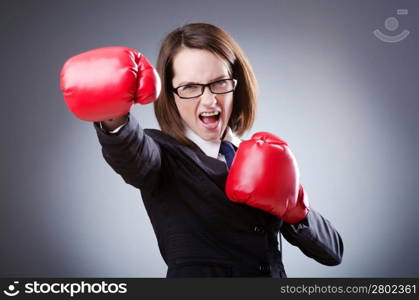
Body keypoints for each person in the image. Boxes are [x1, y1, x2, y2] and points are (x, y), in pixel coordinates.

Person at [60, 23, 343, 277]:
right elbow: (132, 155)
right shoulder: (162, 154)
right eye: (190, 87)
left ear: (236, 84)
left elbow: (333, 253)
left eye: (219, 83)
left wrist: (296, 209)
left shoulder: (258, 155)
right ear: (170, 94)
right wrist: (114, 116)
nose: (209, 101)